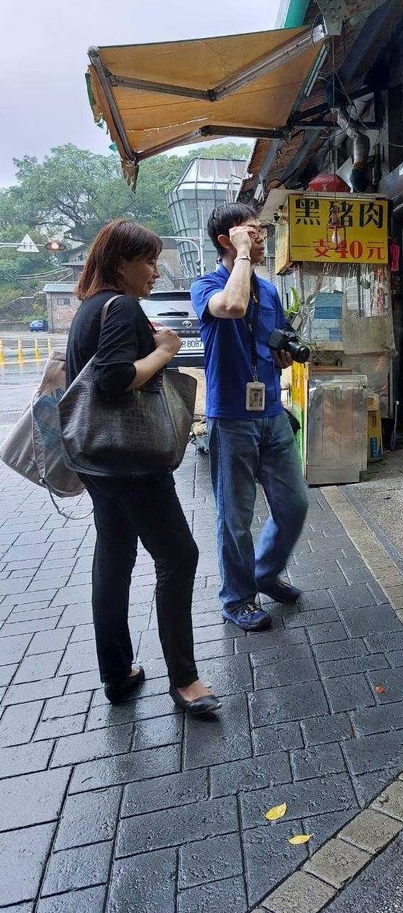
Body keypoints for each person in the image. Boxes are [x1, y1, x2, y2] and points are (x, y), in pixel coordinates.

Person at [65, 220, 220, 716]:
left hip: (95, 460)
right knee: (179, 557)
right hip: (132, 462)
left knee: (113, 560)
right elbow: (112, 380)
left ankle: (118, 674)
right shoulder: (122, 306)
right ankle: (186, 680)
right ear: (120, 264)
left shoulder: (86, 310)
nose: (156, 271)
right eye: (148, 261)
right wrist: (165, 352)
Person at [191, 203, 309, 633]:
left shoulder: (270, 291)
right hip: (231, 416)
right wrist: (240, 254)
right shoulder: (206, 284)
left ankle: (264, 574)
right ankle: (238, 598)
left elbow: (271, 345)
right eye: (251, 233)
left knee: (294, 504)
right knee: (235, 516)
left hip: (271, 412)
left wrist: (280, 356)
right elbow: (234, 307)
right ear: (226, 240)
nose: (260, 239)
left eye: (260, 232)